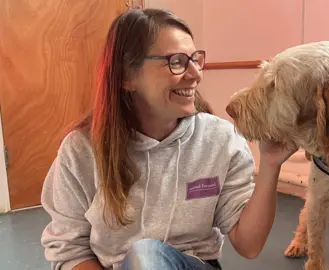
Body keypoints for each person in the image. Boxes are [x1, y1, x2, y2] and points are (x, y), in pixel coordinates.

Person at [40, 7, 297, 270]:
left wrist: (269, 164)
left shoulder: (221, 140)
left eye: (195, 59)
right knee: (145, 256)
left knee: (147, 255)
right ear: (127, 76)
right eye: (176, 61)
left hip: (194, 264)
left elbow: (249, 245)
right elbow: (69, 251)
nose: (195, 73)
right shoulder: (80, 151)